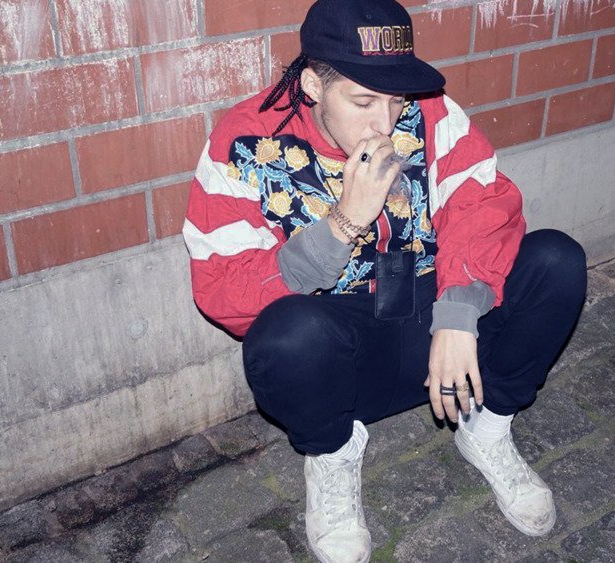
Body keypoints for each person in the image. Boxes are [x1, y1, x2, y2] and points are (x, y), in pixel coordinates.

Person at [183, 0, 587, 560]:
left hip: (439, 330)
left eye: (395, 100)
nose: (385, 122)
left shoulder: (429, 110)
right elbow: (223, 289)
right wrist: (343, 224)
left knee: (556, 261)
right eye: (363, 101)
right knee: (288, 335)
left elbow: (481, 204)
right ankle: (332, 456)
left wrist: (458, 314)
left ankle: (487, 427)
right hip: (347, 355)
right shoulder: (244, 143)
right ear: (313, 85)